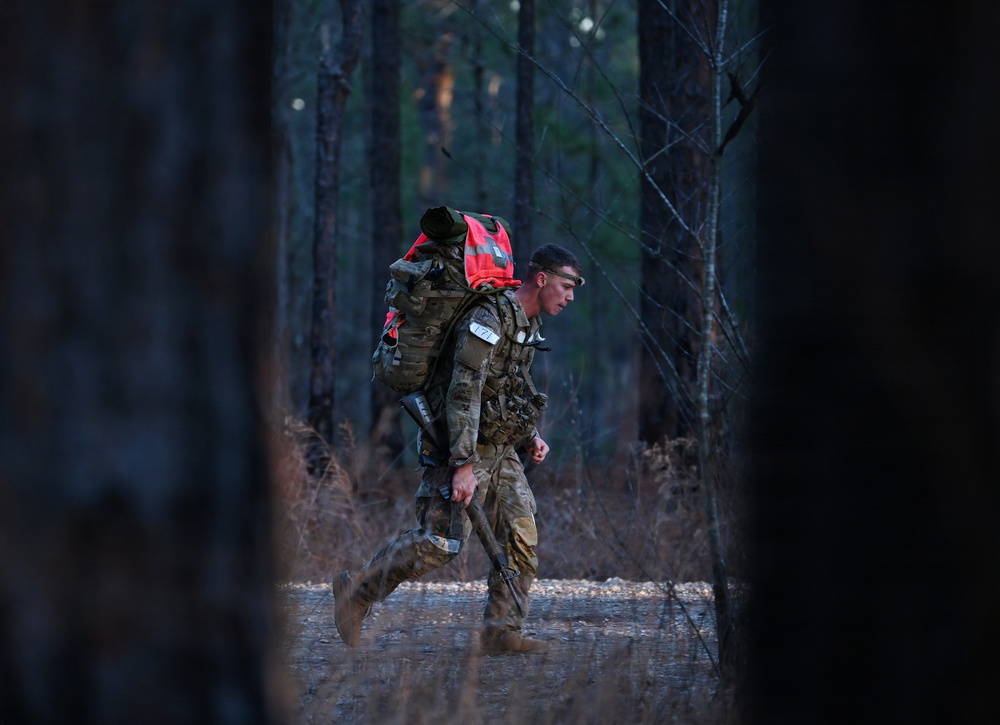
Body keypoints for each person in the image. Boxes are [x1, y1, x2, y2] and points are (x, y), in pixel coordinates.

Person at [333, 243, 584, 654]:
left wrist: (529, 435)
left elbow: (510, 387)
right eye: (567, 286)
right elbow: (463, 392)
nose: (570, 297)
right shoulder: (488, 318)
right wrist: (462, 464)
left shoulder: (526, 324)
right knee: (440, 543)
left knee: (520, 536)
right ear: (542, 279)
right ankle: (356, 592)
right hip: (457, 447)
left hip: (500, 449)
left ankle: (502, 632)